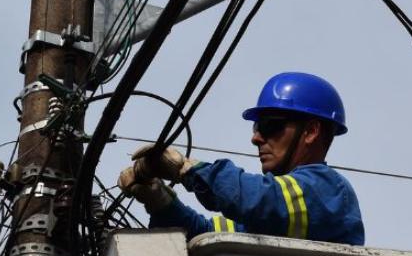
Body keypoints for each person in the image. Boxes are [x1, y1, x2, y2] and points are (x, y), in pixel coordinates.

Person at [118, 72, 365, 245]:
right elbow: (205, 234)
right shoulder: (271, 218)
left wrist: (185, 168)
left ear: (310, 131)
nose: (256, 138)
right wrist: (159, 200)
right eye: (256, 127)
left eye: (270, 125)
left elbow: (258, 198)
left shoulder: (328, 191)